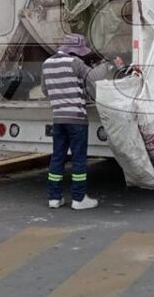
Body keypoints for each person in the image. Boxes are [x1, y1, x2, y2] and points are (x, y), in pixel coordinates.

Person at [41, 33, 99, 210]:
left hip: (58, 119)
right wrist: (110, 65)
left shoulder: (46, 64)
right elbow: (94, 79)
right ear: (74, 50)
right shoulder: (75, 63)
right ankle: (79, 199)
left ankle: (54, 198)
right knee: (78, 158)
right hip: (77, 120)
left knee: (57, 157)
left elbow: (45, 90)